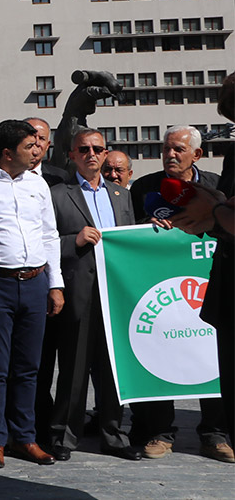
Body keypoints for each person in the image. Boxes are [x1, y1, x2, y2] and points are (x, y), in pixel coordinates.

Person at [37, 129, 141, 462]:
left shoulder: (121, 194)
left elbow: (130, 239)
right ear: (72, 154)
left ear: (105, 152)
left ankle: (113, 433)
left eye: (97, 148)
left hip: (115, 295)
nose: (91, 154)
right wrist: (75, 241)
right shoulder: (57, 194)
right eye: (84, 149)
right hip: (77, 292)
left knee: (113, 370)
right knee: (74, 369)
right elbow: (45, 242)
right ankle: (64, 436)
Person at [129, 125, 231, 462]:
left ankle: (214, 434)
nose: (170, 155)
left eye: (178, 149)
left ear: (197, 155)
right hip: (159, 296)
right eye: (166, 149)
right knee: (162, 355)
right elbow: (129, 232)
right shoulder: (144, 187)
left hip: (208, 288)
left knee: (212, 360)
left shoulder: (219, 185)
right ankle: (161, 432)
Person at [0, 119, 64, 469]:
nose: (36, 149)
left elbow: (50, 235)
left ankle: (24, 437)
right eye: (29, 145)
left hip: (36, 282)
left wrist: (55, 283)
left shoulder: (38, 185)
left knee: (29, 367)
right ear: (8, 153)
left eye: (38, 143)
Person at [25, 118, 68, 187]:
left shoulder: (60, 177)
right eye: (32, 137)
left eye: (42, 138)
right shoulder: (5, 176)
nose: (37, 142)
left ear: (47, 145)